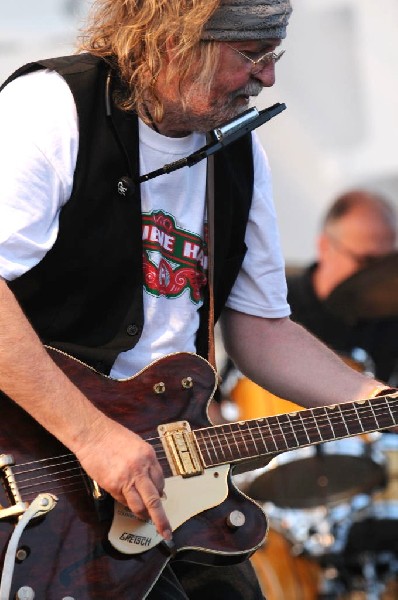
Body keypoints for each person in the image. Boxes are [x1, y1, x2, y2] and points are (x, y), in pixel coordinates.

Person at [0, 1, 395, 599]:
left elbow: (263, 328)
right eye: (252, 55)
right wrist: (95, 438)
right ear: (174, 41)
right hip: (44, 477)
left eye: (273, 56)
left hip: (176, 484)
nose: (268, 78)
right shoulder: (53, 107)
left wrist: (377, 401)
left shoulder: (237, 152)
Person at [287, 190, 398, 383]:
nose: (381, 276)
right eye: (368, 261)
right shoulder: (274, 304)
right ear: (324, 247)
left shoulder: (391, 312)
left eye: (387, 263)